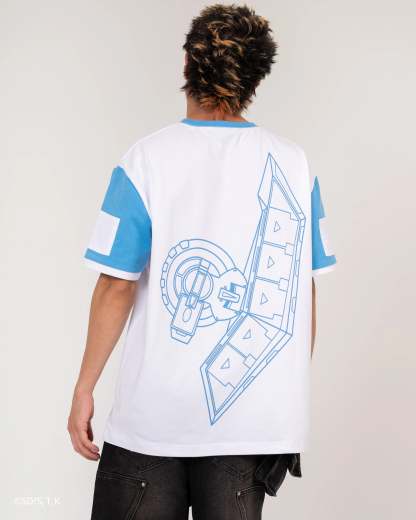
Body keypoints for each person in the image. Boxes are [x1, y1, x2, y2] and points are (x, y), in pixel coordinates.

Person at [68, 4, 336, 519]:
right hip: (249, 423)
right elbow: (301, 293)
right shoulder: (295, 165)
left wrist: (84, 388)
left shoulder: (146, 159)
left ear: (188, 62)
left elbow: (116, 284)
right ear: (256, 77)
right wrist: (279, 394)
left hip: (154, 418)